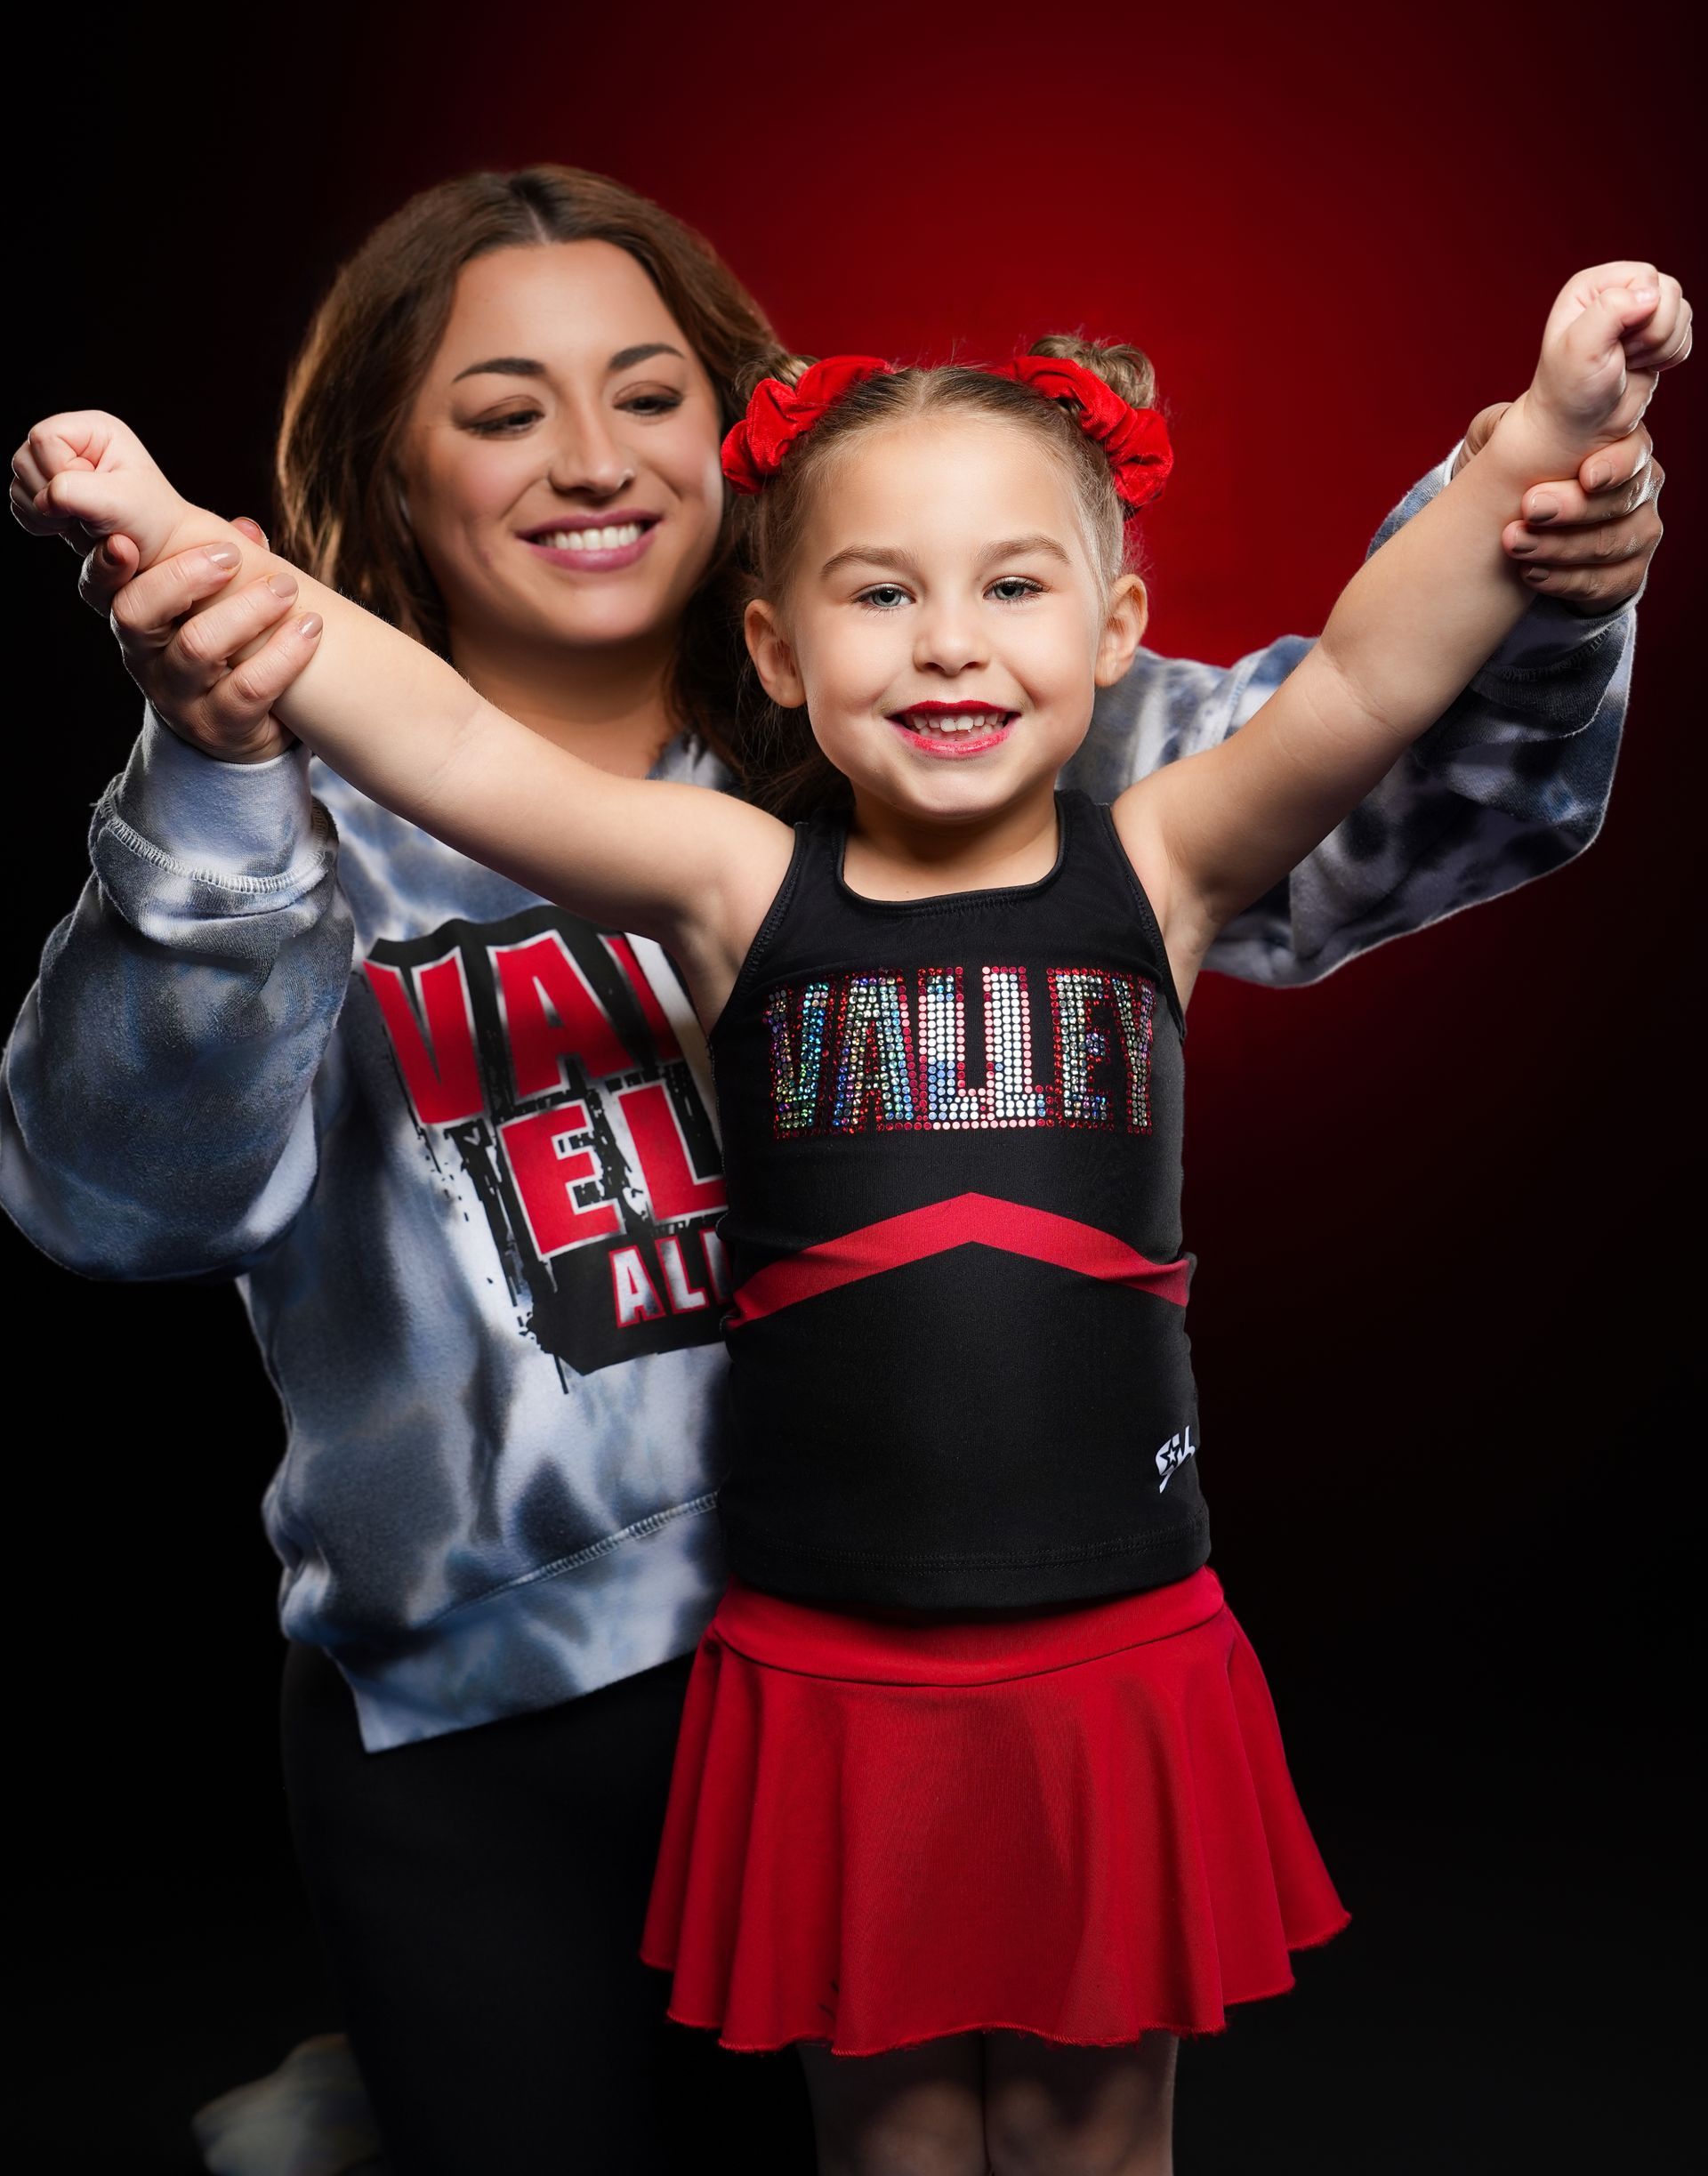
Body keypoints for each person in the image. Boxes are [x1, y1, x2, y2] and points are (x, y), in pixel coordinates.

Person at [2, 168, 1667, 2174]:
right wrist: (194, 573)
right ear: (786, 640)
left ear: (1113, 618)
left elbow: (1378, 689)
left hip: (1094, 1635)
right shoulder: (733, 880)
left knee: (1088, 2138)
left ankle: (371, 2107)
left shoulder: (1148, 841)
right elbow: (441, 738)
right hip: (769, 1663)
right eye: (885, 595)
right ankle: (399, 2093)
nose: (951, 642)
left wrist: (1548, 453)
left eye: (1013, 591)